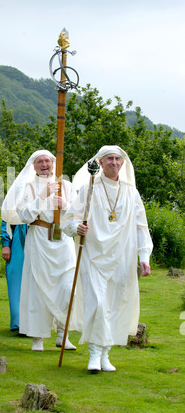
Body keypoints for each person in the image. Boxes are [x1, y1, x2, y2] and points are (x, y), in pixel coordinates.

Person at [61, 145, 153, 372]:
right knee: (98, 303)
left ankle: (105, 355)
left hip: (123, 256)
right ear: (100, 163)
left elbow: (141, 226)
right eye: (109, 158)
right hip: (93, 255)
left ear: (122, 163)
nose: (113, 162)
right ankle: (93, 353)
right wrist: (77, 227)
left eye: (117, 159)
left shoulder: (131, 192)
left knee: (114, 304)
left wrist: (144, 255)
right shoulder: (89, 188)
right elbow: (67, 222)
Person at [2, 150, 82, 351]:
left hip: (63, 240)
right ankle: (37, 339)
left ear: (54, 163)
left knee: (67, 288)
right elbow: (26, 215)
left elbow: (79, 214)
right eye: (40, 162)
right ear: (34, 166)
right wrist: (43, 195)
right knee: (37, 289)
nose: (44, 164)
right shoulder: (27, 187)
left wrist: (65, 205)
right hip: (38, 239)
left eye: (47, 161)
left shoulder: (67, 186)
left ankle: (63, 335)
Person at [0, 220, 28, 331]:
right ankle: (18, 322)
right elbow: (6, 219)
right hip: (18, 236)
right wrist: (6, 244)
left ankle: (34, 322)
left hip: (38, 235)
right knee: (15, 279)